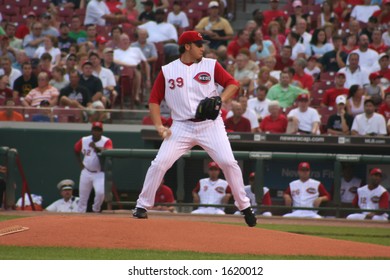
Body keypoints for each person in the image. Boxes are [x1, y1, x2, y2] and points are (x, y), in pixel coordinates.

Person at [132, 31, 256, 227]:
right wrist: (158, 125)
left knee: (229, 163)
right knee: (159, 164)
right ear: (187, 46)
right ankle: (141, 206)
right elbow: (154, 101)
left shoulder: (211, 64)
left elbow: (234, 84)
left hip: (210, 125)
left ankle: (245, 206)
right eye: (198, 44)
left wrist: (220, 99)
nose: (202, 47)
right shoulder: (168, 70)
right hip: (180, 126)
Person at [74, 122, 113, 213]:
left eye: (98, 130)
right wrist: (80, 164)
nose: (96, 132)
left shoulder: (106, 141)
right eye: (95, 130)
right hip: (86, 172)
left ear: (102, 131)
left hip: (99, 172)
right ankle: (80, 215)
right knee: (83, 197)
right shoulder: (84, 140)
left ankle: (96, 209)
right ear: (91, 131)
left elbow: (109, 151)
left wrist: (96, 148)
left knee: (100, 193)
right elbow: (76, 150)